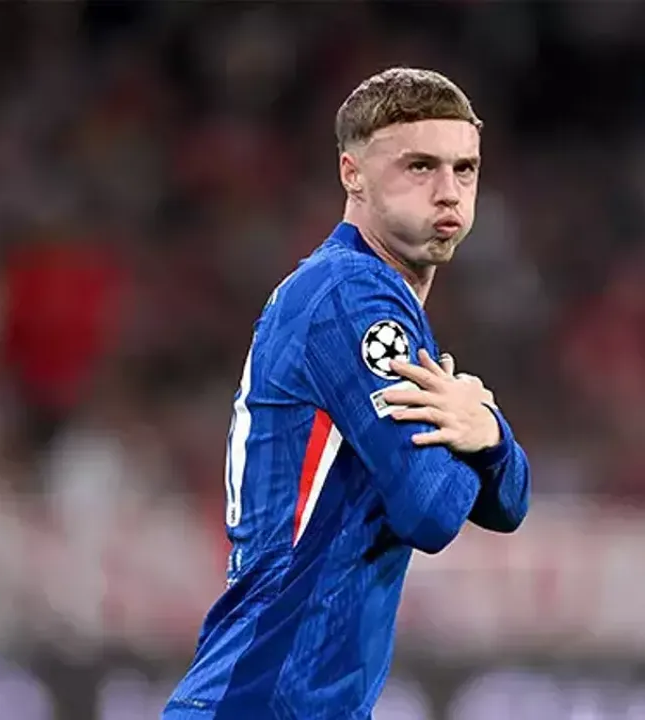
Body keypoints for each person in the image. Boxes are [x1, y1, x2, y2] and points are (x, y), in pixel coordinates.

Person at [163, 67, 531, 719]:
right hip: (264, 699)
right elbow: (430, 513)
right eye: (420, 166)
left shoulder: (376, 300)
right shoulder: (349, 297)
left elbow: (510, 504)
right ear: (352, 174)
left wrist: (489, 434)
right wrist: (473, 430)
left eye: (465, 169)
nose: (449, 191)